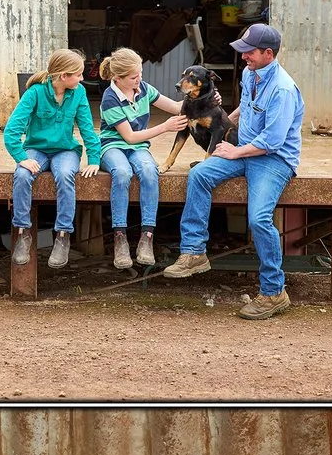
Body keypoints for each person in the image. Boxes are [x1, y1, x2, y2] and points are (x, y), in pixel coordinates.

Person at [160, 23, 303, 322]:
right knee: (199, 175)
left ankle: (274, 292)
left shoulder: (283, 89)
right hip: (243, 150)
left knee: (259, 218)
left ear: (268, 53)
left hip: (273, 159)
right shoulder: (252, 73)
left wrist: (235, 150)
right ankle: (194, 252)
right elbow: (246, 109)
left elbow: (273, 141)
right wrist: (227, 116)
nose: (244, 57)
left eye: (249, 52)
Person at [4, 48, 100, 268]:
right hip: (36, 149)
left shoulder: (79, 93)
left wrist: (94, 158)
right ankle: (23, 232)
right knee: (22, 174)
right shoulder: (35, 93)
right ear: (63, 76)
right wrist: (21, 157)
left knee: (66, 174)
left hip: (65, 150)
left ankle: (63, 236)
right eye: (79, 74)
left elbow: (87, 128)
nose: (82, 78)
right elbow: (11, 130)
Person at [88, 49, 179, 269]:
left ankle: (147, 236)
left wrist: (205, 98)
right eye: (133, 77)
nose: (139, 79)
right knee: (122, 172)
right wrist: (165, 127)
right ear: (117, 79)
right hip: (113, 145)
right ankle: (120, 237)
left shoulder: (144, 88)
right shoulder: (110, 99)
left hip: (138, 146)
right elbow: (129, 136)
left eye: (140, 73)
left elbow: (176, 107)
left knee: (149, 170)